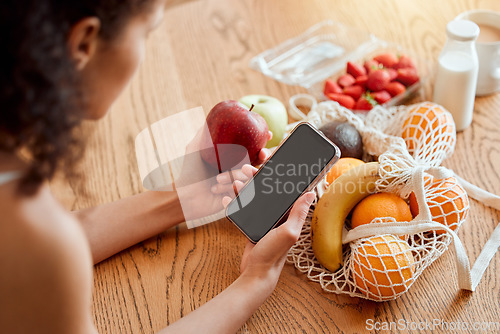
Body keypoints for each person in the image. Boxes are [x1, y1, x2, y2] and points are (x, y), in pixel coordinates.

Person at [0, 0, 315, 333]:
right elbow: (39, 251)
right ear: (83, 43)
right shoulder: (38, 236)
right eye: (147, 33)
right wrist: (254, 282)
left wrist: (181, 199)